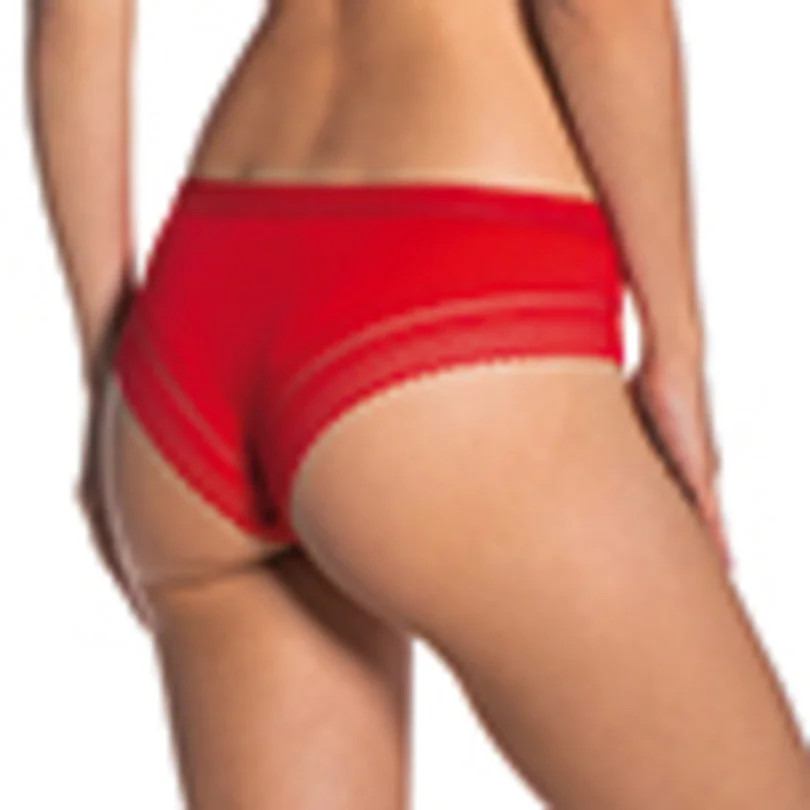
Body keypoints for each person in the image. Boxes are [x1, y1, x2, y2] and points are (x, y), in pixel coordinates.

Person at [26, 1, 810, 808]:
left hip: (198, 318)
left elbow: (75, 17)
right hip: (444, 279)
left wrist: (110, 373)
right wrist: (676, 345)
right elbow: (597, 13)